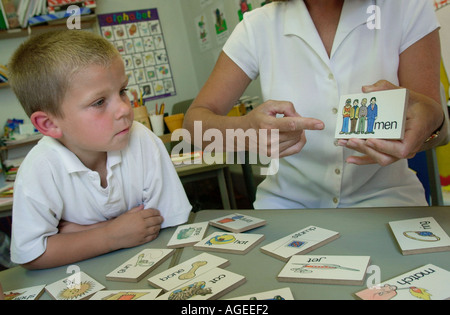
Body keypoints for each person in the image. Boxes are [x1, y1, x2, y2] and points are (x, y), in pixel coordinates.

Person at [184, 0, 449, 209]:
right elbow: (193, 126)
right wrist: (245, 133)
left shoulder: (406, 7)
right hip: (287, 204)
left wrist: (429, 128)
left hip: (388, 199)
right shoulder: (257, 27)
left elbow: (435, 123)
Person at [8, 30, 192, 270]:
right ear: (50, 124)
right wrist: (109, 235)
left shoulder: (142, 140)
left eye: (123, 91)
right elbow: (31, 256)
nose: (125, 109)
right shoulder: (40, 168)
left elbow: (163, 223)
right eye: (99, 102)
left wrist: (74, 234)